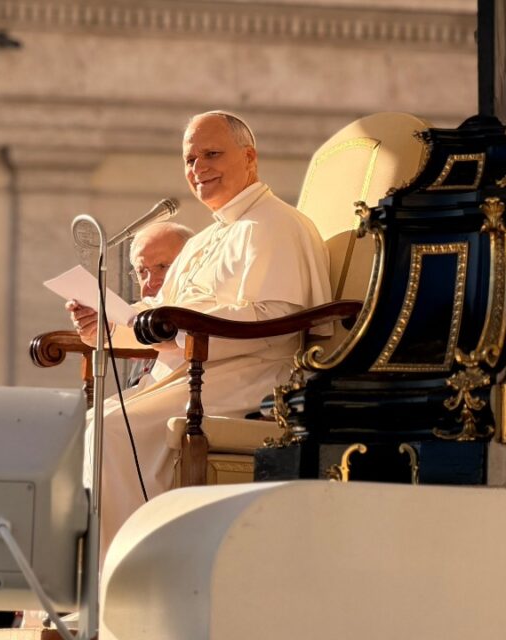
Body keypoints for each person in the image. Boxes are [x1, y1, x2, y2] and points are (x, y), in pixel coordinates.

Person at [65, 111, 331, 556]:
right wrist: (105, 325)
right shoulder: (202, 240)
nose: (198, 169)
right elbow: (154, 317)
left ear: (250, 158)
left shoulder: (277, 225)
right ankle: (87, 587)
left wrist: (175, 327)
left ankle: (133, 578)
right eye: (190, 160)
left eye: (211, 154)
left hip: (249, 377)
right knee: (77, 428)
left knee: (111, 430)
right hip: (191, 372)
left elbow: (274, 320)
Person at [123, 222, 194, 387]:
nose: (150, 282)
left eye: (162, 267)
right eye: (142, 271)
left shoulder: (205, 325)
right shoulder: (141, 325)